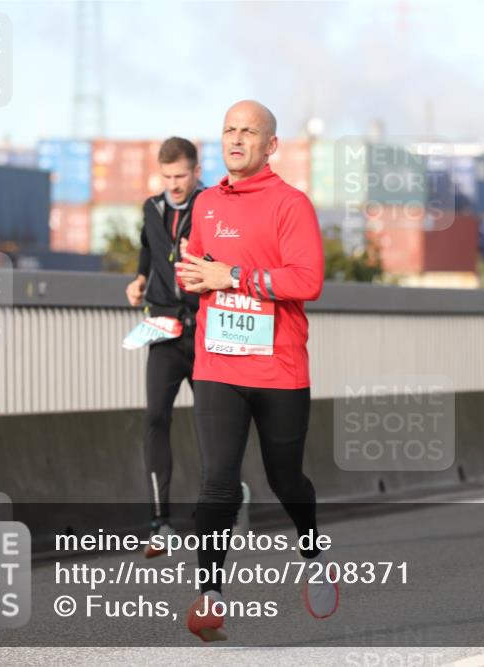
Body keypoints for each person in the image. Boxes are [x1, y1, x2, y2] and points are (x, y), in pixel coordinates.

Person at [175, 100, 338, 641]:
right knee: (217, 479)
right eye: (228, 130)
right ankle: (210, 594)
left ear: (271, 146)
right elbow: (195, 270)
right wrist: (194, 279)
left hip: (279, 369)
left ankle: (313, 551)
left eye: (249, 131)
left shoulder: (291, 205)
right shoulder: (203, 205)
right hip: (217, 364)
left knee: (284, 478)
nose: (236, 138)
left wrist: (233, 276)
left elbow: (306, 281)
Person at [126, 138, 250, 556]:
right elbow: (148, 247)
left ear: (196, 171)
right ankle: (159, 523)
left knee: (213, 426)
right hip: (163, 326)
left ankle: (223, 509)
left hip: (206, 329)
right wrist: (139, 279)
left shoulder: (212, 207)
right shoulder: (152, 208)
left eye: (181, 176)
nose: (173, 185)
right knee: (156, 419)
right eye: (167, 177)